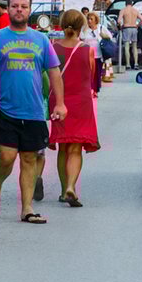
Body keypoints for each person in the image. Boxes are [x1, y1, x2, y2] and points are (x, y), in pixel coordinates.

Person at [0, 0, 66, 225]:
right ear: (8, 8)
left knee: (29, 158)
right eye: (15, 6)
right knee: (6, 156)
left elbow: (54, 72)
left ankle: (27, 208)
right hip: (5, 109)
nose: (19, 10)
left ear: (30, 10)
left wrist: (59, 103)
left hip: (34, 110)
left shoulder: (41, 40)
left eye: (23, 6)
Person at [49, 11, 100, 206]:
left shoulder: (53, 48)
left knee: (63, 146)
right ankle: (71, 186)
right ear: (82, 26)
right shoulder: (88, 49)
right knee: (75, 148)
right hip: (81, 102)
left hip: (59, 101)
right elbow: (91, 75)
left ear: (62, 25)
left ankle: (64, 190)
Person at [82, 10, 110, 94]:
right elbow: (80, 38)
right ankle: (89, 89)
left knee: (97, 74)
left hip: (98, 55)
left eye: (91, 19)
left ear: (96, 20)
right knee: (88, 74)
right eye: (88, 19)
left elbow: (110, 37)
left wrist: (103, 36)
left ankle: (95, 90)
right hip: (87, 55)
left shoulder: (101, 28)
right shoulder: (84, 29)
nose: (89, 21)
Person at [119, 1, 141, 70]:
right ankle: (136, 64)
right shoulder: (135, 10)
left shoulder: (123, 10)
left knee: (126, 46)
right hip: (134, 28)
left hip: (126, 28)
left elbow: (118, 20)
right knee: (134, 46)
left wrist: (121, 26)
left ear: (125, 4)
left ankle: (128, 64)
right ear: (131, 4)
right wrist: (137, 25)